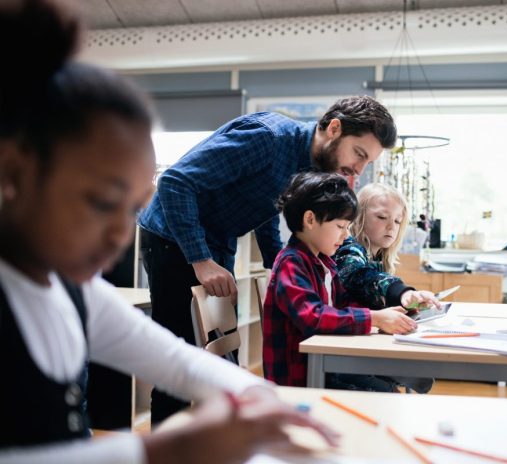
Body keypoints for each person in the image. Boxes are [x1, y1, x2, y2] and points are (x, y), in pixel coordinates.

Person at [0, 1, 337, 462]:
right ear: (13, 174)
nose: (119, 235)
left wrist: (258, 396)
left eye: (134, 208)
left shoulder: (74, 292)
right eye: (100, 202)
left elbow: (177, 360)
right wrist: (164, 450)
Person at [137, 95, 397, 422]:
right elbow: (175, 182)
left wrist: (281, 266)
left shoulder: (307, 165)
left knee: (217, 361)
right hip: (170, 235)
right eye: (359, 154)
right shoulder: (268, 139)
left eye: (367, 162)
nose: (358, 170)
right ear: (334, 129)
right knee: (178, 361)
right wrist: (201, 260)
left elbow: (265, 209)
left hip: (217, 238)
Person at [263, 172, 417, 390]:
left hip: (324, 364)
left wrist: (385, 315)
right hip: (300, 378)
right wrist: (372, 318)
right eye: (340, 226)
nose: (346, 236)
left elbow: (344, 302)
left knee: (388, 382)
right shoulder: (291, 263)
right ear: (310, 220)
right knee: (383, 390)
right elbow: (313, 316)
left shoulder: (324, 262)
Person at [334, 183, 438, 393]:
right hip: (344, 352)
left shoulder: (378, 257)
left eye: (398, 221)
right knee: (393, 390)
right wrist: (402, 292)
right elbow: (361, 276)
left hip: (361, 344)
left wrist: (410, 303)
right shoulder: (348, 249)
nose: (391, 226)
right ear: (359, 217)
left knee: (413, 374)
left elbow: (375, 295)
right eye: (382, 218)